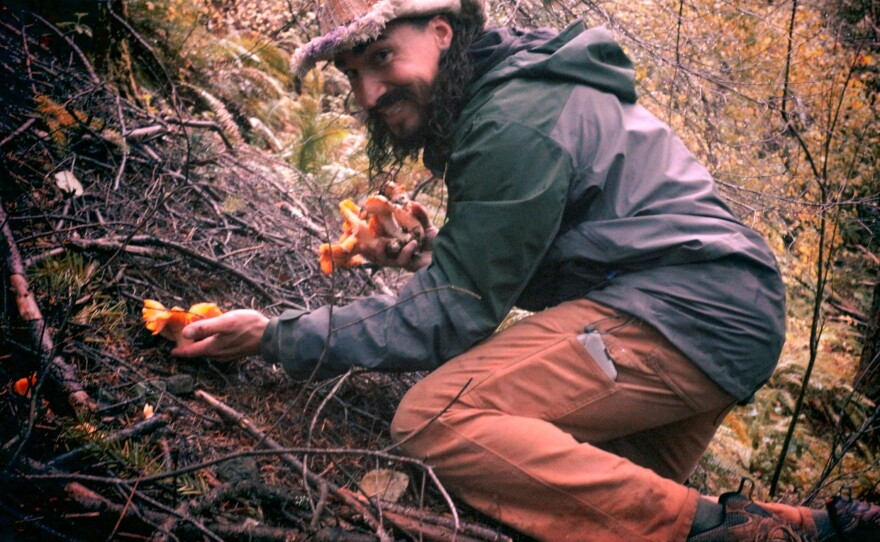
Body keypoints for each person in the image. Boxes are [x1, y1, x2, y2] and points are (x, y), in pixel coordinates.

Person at [173, 1, 880, 540]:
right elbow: (557, 255)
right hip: (717, 310)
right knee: (576, 497)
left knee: (438, 419)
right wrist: (429, 253)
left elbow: (450, 314)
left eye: (382, 57)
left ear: (443, 31)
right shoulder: (520, 90)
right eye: (352, 72)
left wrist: (274, 337)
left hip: (687, 310)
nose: (366, 93)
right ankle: (810, 526)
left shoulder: (510, 121)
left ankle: (741, 529)